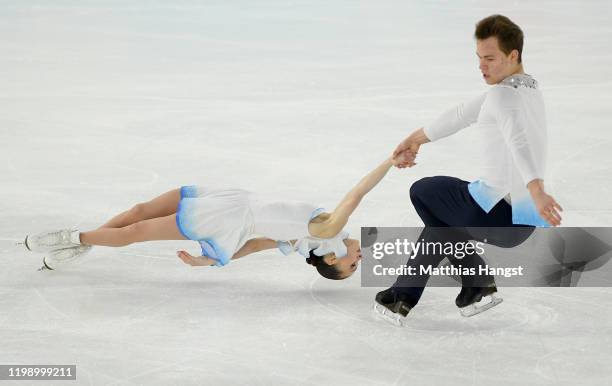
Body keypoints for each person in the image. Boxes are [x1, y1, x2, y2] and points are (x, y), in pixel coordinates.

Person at [374, 14, 564, 324]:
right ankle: (408, 295)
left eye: (490, 58)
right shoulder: (527, 91)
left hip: (491, 213)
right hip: (522, 224)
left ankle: (472, 280)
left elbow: (519, 143)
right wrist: (415, 139)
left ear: (513, 55)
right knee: (442, 225)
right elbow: (462, 114)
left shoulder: (503, 96)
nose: (482, 65)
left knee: (423, 191)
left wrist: (537, 188)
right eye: (479, 58)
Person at [21, 153, 413, 278]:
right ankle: (89, 241)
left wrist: (210, 259)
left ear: (331, 258)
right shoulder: (318, 236)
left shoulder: (328, 230)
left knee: (139, 229)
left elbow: (255, 244)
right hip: (229, 199)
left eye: (350, 265)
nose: (359, 258)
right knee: (139, 211)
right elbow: (357, 192)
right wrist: (391, 160)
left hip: (224, 221)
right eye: (356, 263)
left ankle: (74, 240)